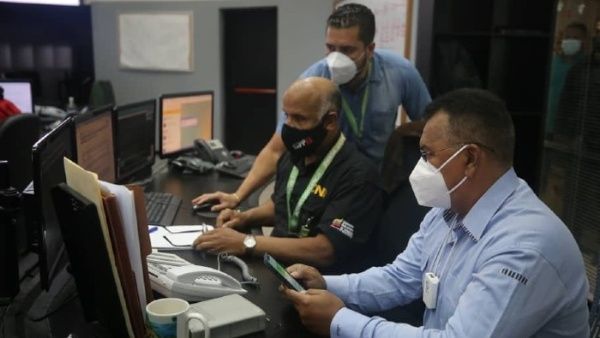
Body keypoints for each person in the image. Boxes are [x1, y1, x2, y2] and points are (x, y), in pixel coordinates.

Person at [281, 88, 589, 337]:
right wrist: (326, 283)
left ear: (470, 158)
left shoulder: (524, 245)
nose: (419, 167)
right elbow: (402, 278)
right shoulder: (450, 210)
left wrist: (339, 321)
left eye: (427, 155)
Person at [192, 3, 430, 212]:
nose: (336, 58)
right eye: (330, 48)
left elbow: (430, 126)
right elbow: (276, 149)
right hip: (331, 186)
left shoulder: (400, 72)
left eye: (347, 50)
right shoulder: (314, 79)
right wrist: (237, 196)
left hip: (380, 183)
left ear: (369, 49)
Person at [193, 77, 383, 273]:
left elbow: (325, 250)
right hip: (276, 263)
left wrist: (246, 242)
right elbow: (283, 206)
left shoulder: (358, 176)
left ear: (330, 121)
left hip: (314, 283)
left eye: (300, 119)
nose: (290, 126)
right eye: (287, 116)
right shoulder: (296, 155)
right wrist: (243, 218)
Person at [546, 22, 588, 137]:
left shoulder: (587, 67)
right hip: (547, 125)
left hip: (572, 130)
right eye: (567, 37)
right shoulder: (552, 62)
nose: (570, 41)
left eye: (575, 38)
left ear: (584, 41)